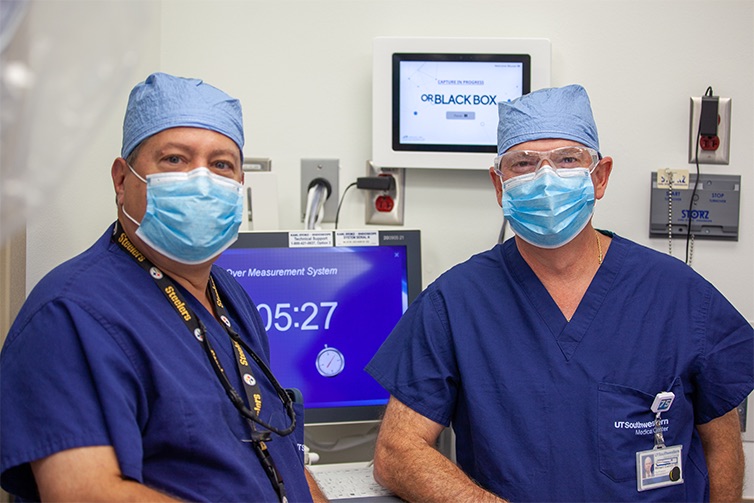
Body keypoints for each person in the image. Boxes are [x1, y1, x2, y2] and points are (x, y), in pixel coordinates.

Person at [365, 84, 753, 502]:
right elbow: (398, 452)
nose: (546, 179)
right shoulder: (455, 303)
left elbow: (721, 442)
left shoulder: (678, 295)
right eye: (523, 164)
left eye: (568, 159)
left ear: (599, 177)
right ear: (499, 185)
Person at [0, 72, 326, 502]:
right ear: (122, 179)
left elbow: (278, 453)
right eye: (175, 159)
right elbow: (84, 494)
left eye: (221, 164)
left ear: (239, 185)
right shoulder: (70, 314)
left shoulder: (229, 297)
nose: (202, 181)